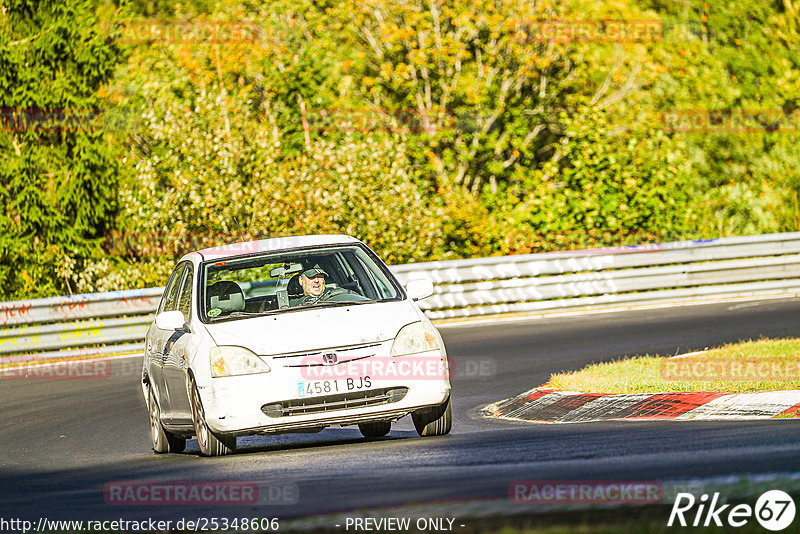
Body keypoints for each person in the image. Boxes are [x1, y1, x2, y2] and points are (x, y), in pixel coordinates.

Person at [292, 264, 368, 306]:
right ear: (301, 280)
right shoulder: (292, 305)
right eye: (312, 277)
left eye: (320, 277)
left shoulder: (340, 295)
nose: (317, 280)